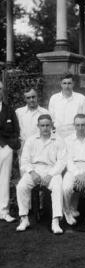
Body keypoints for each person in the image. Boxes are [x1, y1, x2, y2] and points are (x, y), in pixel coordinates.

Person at [16, 114, 66, 234]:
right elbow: (24, 160)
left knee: (58, 187)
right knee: (21, 186)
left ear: (51, 125)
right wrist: (32, 173)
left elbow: (61, 162)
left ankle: (55, 221)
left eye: (47, 125)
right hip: (34, 170)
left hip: (52, 171)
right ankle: (24, 219)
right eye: (42, 125)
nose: (45, 128)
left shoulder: (58, 140)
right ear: (38, 126)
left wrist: (50, 175)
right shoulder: (31, 140)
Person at [62, 114, 85, 226]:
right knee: (66, 188)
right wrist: (78, 173)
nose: (81, 127)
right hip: (73, 169)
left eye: (83, 124)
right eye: (78, 125)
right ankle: (67, 211)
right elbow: (68, 160)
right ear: (74, 125)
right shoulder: (68, 140)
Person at [0, 81, 20, 222]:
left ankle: (4, 211)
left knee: (4, 179)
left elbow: (16, 129)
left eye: (0, 89)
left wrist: (10, 144)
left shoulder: (9, 110)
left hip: (5, 147)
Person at [48, 73, 85, 138]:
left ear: (73, 84)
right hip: (58, 134)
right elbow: (51, 119)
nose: (67, 86)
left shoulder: (81, 98)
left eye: (69, 83)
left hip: (75, 133)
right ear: (61, 84)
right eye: (64, 83)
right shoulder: (54, 98)